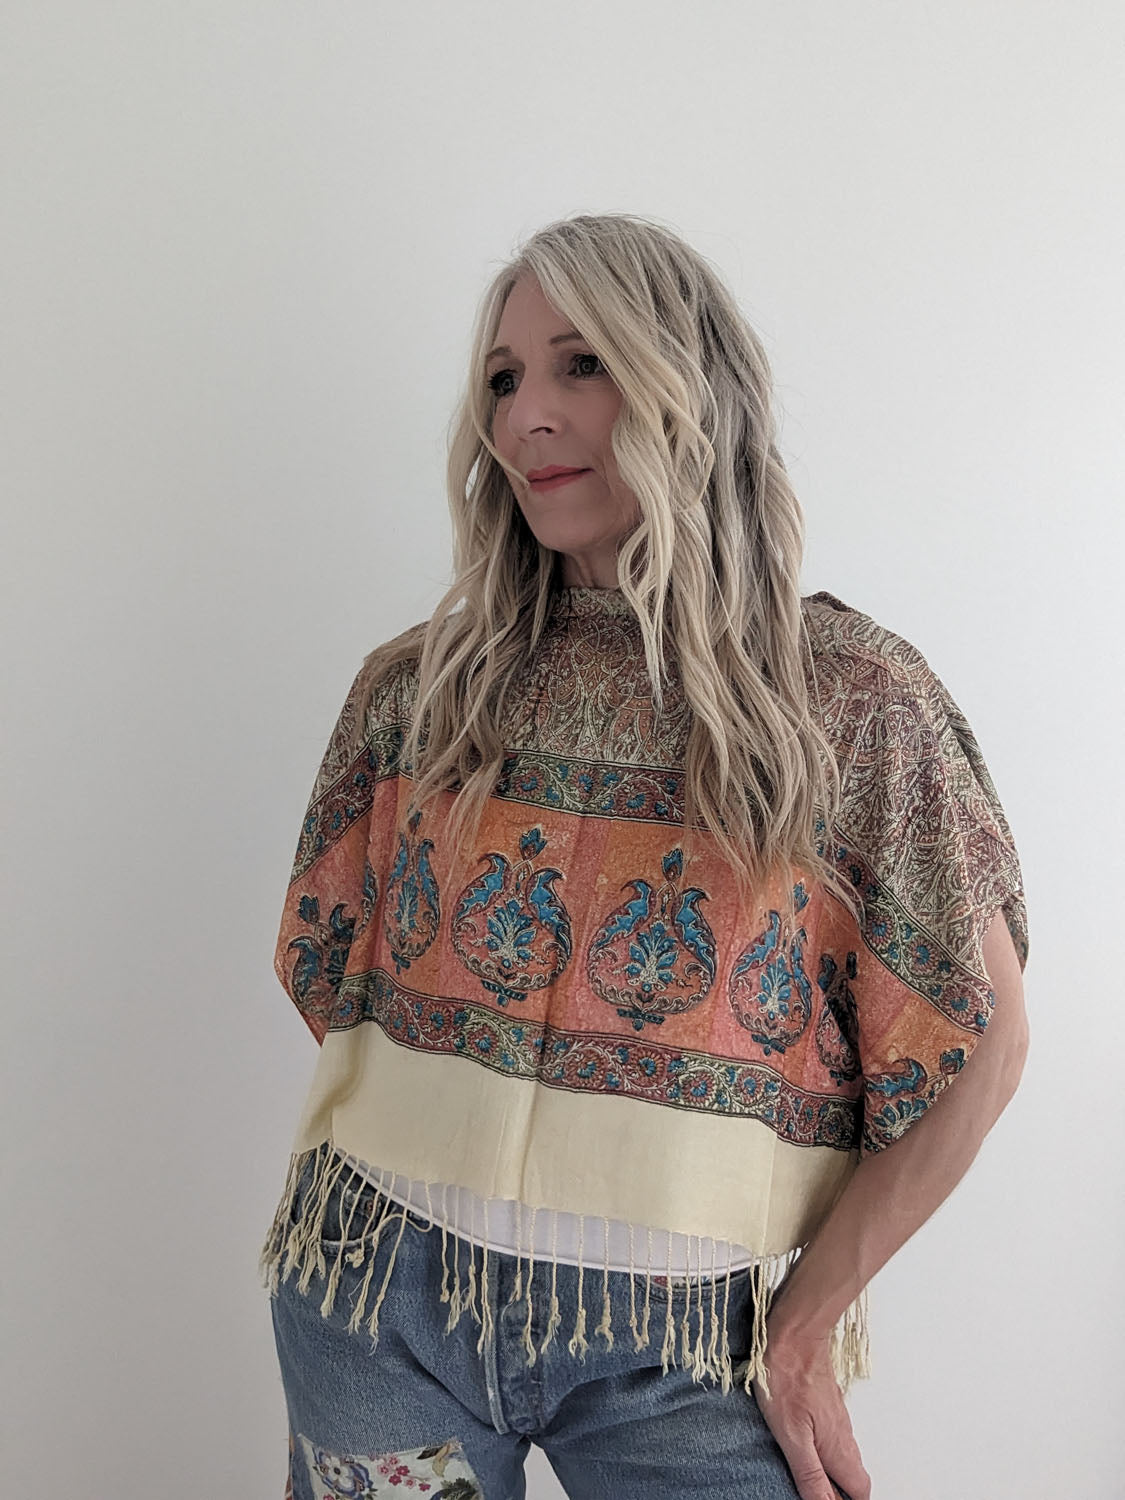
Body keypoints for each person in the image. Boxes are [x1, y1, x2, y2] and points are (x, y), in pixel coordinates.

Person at [259, 212, 1030, 1500]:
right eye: (502, 378)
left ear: (689, 388)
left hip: (689, 1354)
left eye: (583, 363)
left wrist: (803, 1330)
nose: (527, 417)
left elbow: (981, 1047)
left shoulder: (848, 701)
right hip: (373, 1299)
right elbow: (331, 972)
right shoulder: (416, 692)